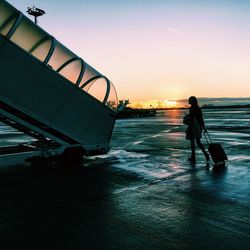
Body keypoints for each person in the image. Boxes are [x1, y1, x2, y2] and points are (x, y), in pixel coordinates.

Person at [185, 96, 210, 162]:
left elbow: (192, 117)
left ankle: (193, 157)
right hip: (199, 126)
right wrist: (203, 127)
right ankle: (205, 154)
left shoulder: (192, 108)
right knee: (198, 142)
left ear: (193, 101)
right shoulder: (198, 108)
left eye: (190, 100)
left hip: (193, 126)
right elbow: (201, 118)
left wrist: (187, 117)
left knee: (192, 142)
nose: (189, 101)